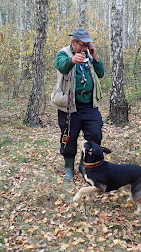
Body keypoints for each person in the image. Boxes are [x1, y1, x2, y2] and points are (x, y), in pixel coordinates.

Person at [51, 28, 105, 181]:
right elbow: (61, 66)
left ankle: (84, 165)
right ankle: (69, 168)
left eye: (88, 45)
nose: (85, 48)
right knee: (68, 138)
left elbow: (100, 74)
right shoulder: (64, 53)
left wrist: (96, 58)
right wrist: (72, 60)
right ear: (73, 42)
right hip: (69, 107)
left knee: (95, 135)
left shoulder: (89, 55)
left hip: (89, 105)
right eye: (83, 44)